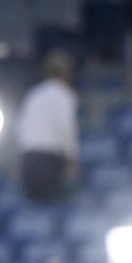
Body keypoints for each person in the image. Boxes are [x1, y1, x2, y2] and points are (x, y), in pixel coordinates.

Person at [16, 50, 79, 204]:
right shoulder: (64, 95)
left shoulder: (33, 94)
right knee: (52, 204)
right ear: (66, 74)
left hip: (29, 157)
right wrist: (72, 157)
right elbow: (65, 127)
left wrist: (19, 158)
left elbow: (19, 128)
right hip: (49, 157)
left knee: (34, 206)